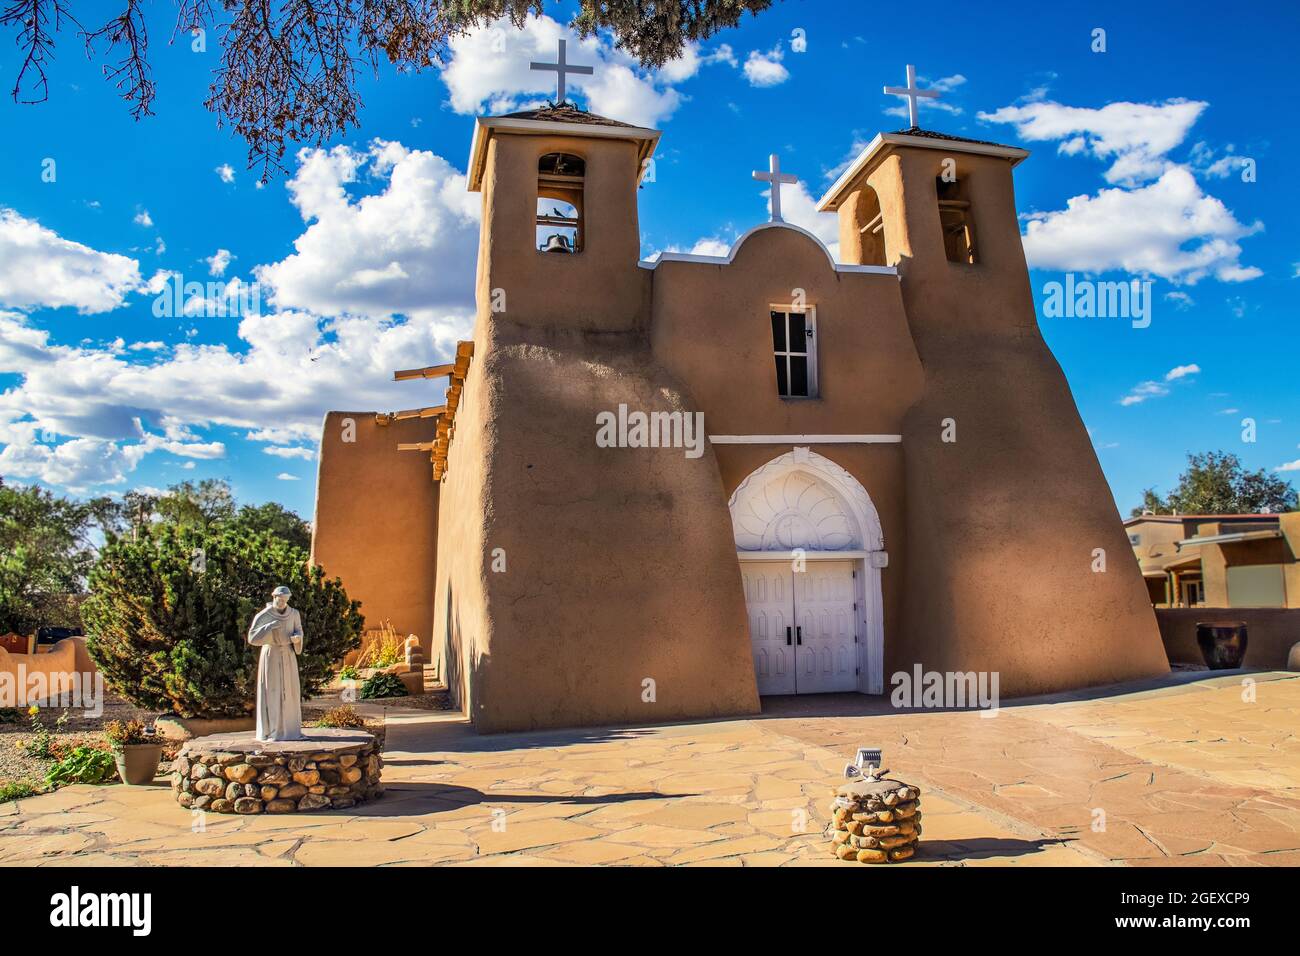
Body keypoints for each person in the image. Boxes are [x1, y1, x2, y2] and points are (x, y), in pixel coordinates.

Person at [247, 585, 304, 741]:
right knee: (272, 690)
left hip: (288, 654)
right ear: (274, 597)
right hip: (271, 654)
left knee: (289, 690)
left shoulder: (294, 614)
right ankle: (272, 730)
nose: (282, 603)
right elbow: (252, 638)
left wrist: (297, 639)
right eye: (280, 600)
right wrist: (268, 627)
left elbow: (298, 630)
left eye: (285, 600)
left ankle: (291, 730)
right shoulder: (264, 615)